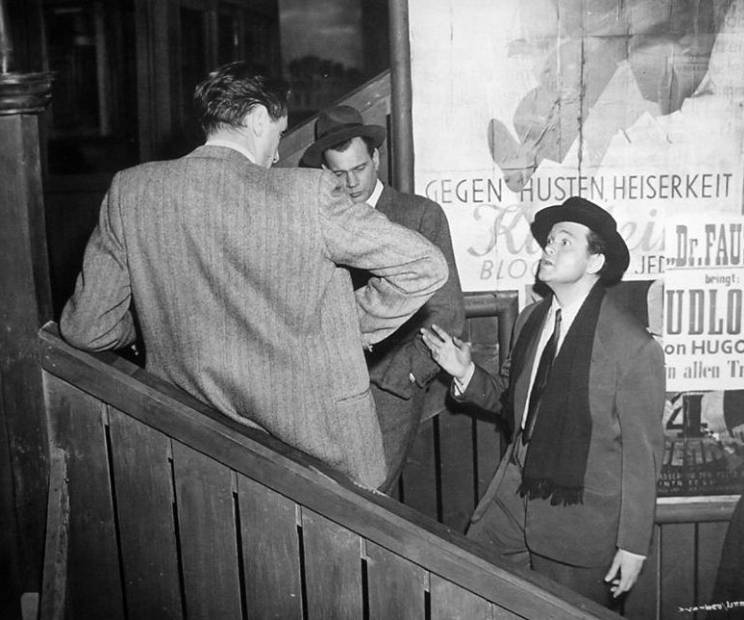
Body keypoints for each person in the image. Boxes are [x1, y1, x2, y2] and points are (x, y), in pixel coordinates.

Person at [59, 62, 449, 490]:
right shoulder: (307, 194)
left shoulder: (132, 191)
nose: (277, 155)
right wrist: (347, 326)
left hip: (194, 451)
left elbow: (87, 328)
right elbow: (424, 266)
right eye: (279, 134)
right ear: (260, 118)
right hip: (318, 455)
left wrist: (149, 321)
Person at [421, 197, 665, 606]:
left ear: (595, 261)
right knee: (470, 597)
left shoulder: (632, 347)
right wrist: (464, 372)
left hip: (579, 527)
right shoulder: (531, 320)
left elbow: (643, 456)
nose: (549, 248)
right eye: (550, 240)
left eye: (565, 241)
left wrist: (633, 545)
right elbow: (514, 402)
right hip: (511, 502)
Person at [301, 105, 465, 493]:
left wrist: (406, 374)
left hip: (390, 392)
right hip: (326, 391)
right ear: (324, 171)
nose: (351, 182)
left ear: (376, 157)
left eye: (359, 168)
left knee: (371, 500)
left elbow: (447, 311)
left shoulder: (420, 214)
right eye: (338, 173)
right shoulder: (317, 222)